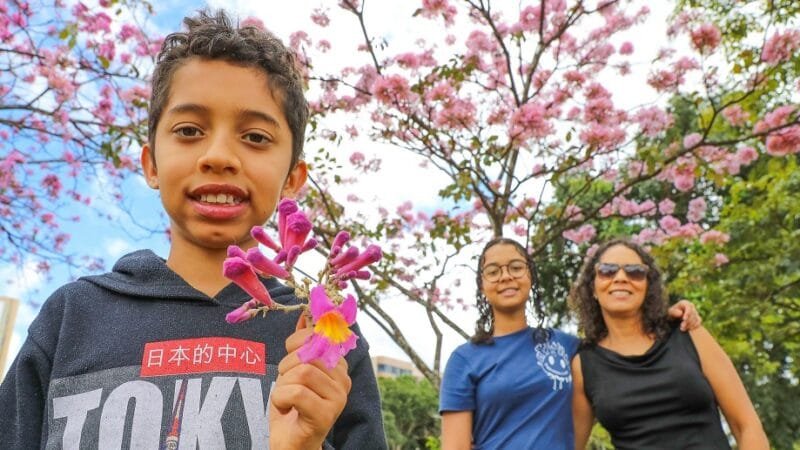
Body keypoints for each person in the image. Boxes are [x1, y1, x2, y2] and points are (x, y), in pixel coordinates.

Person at [0, 10, 387, 450]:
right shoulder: (73, 316)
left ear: (293, 180)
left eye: (256, 137)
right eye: (189, 130)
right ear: (151, 165)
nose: (218, 156)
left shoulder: (323, 336)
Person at [439, 237, 700, 449]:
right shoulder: (465, 360)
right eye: (493, 271)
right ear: (482, 285)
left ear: (530, 276)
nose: (506, 276)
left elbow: (621, 343)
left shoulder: (568, 347)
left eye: (516, 267)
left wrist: (665, 317)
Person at [570, 239, 769, 450]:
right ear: (593, 288)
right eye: (607, 271)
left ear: (648, 286)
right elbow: (568, 444)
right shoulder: (584, 365)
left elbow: (746, 425)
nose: (620, 278)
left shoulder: (687, 332)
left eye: (635, 272)